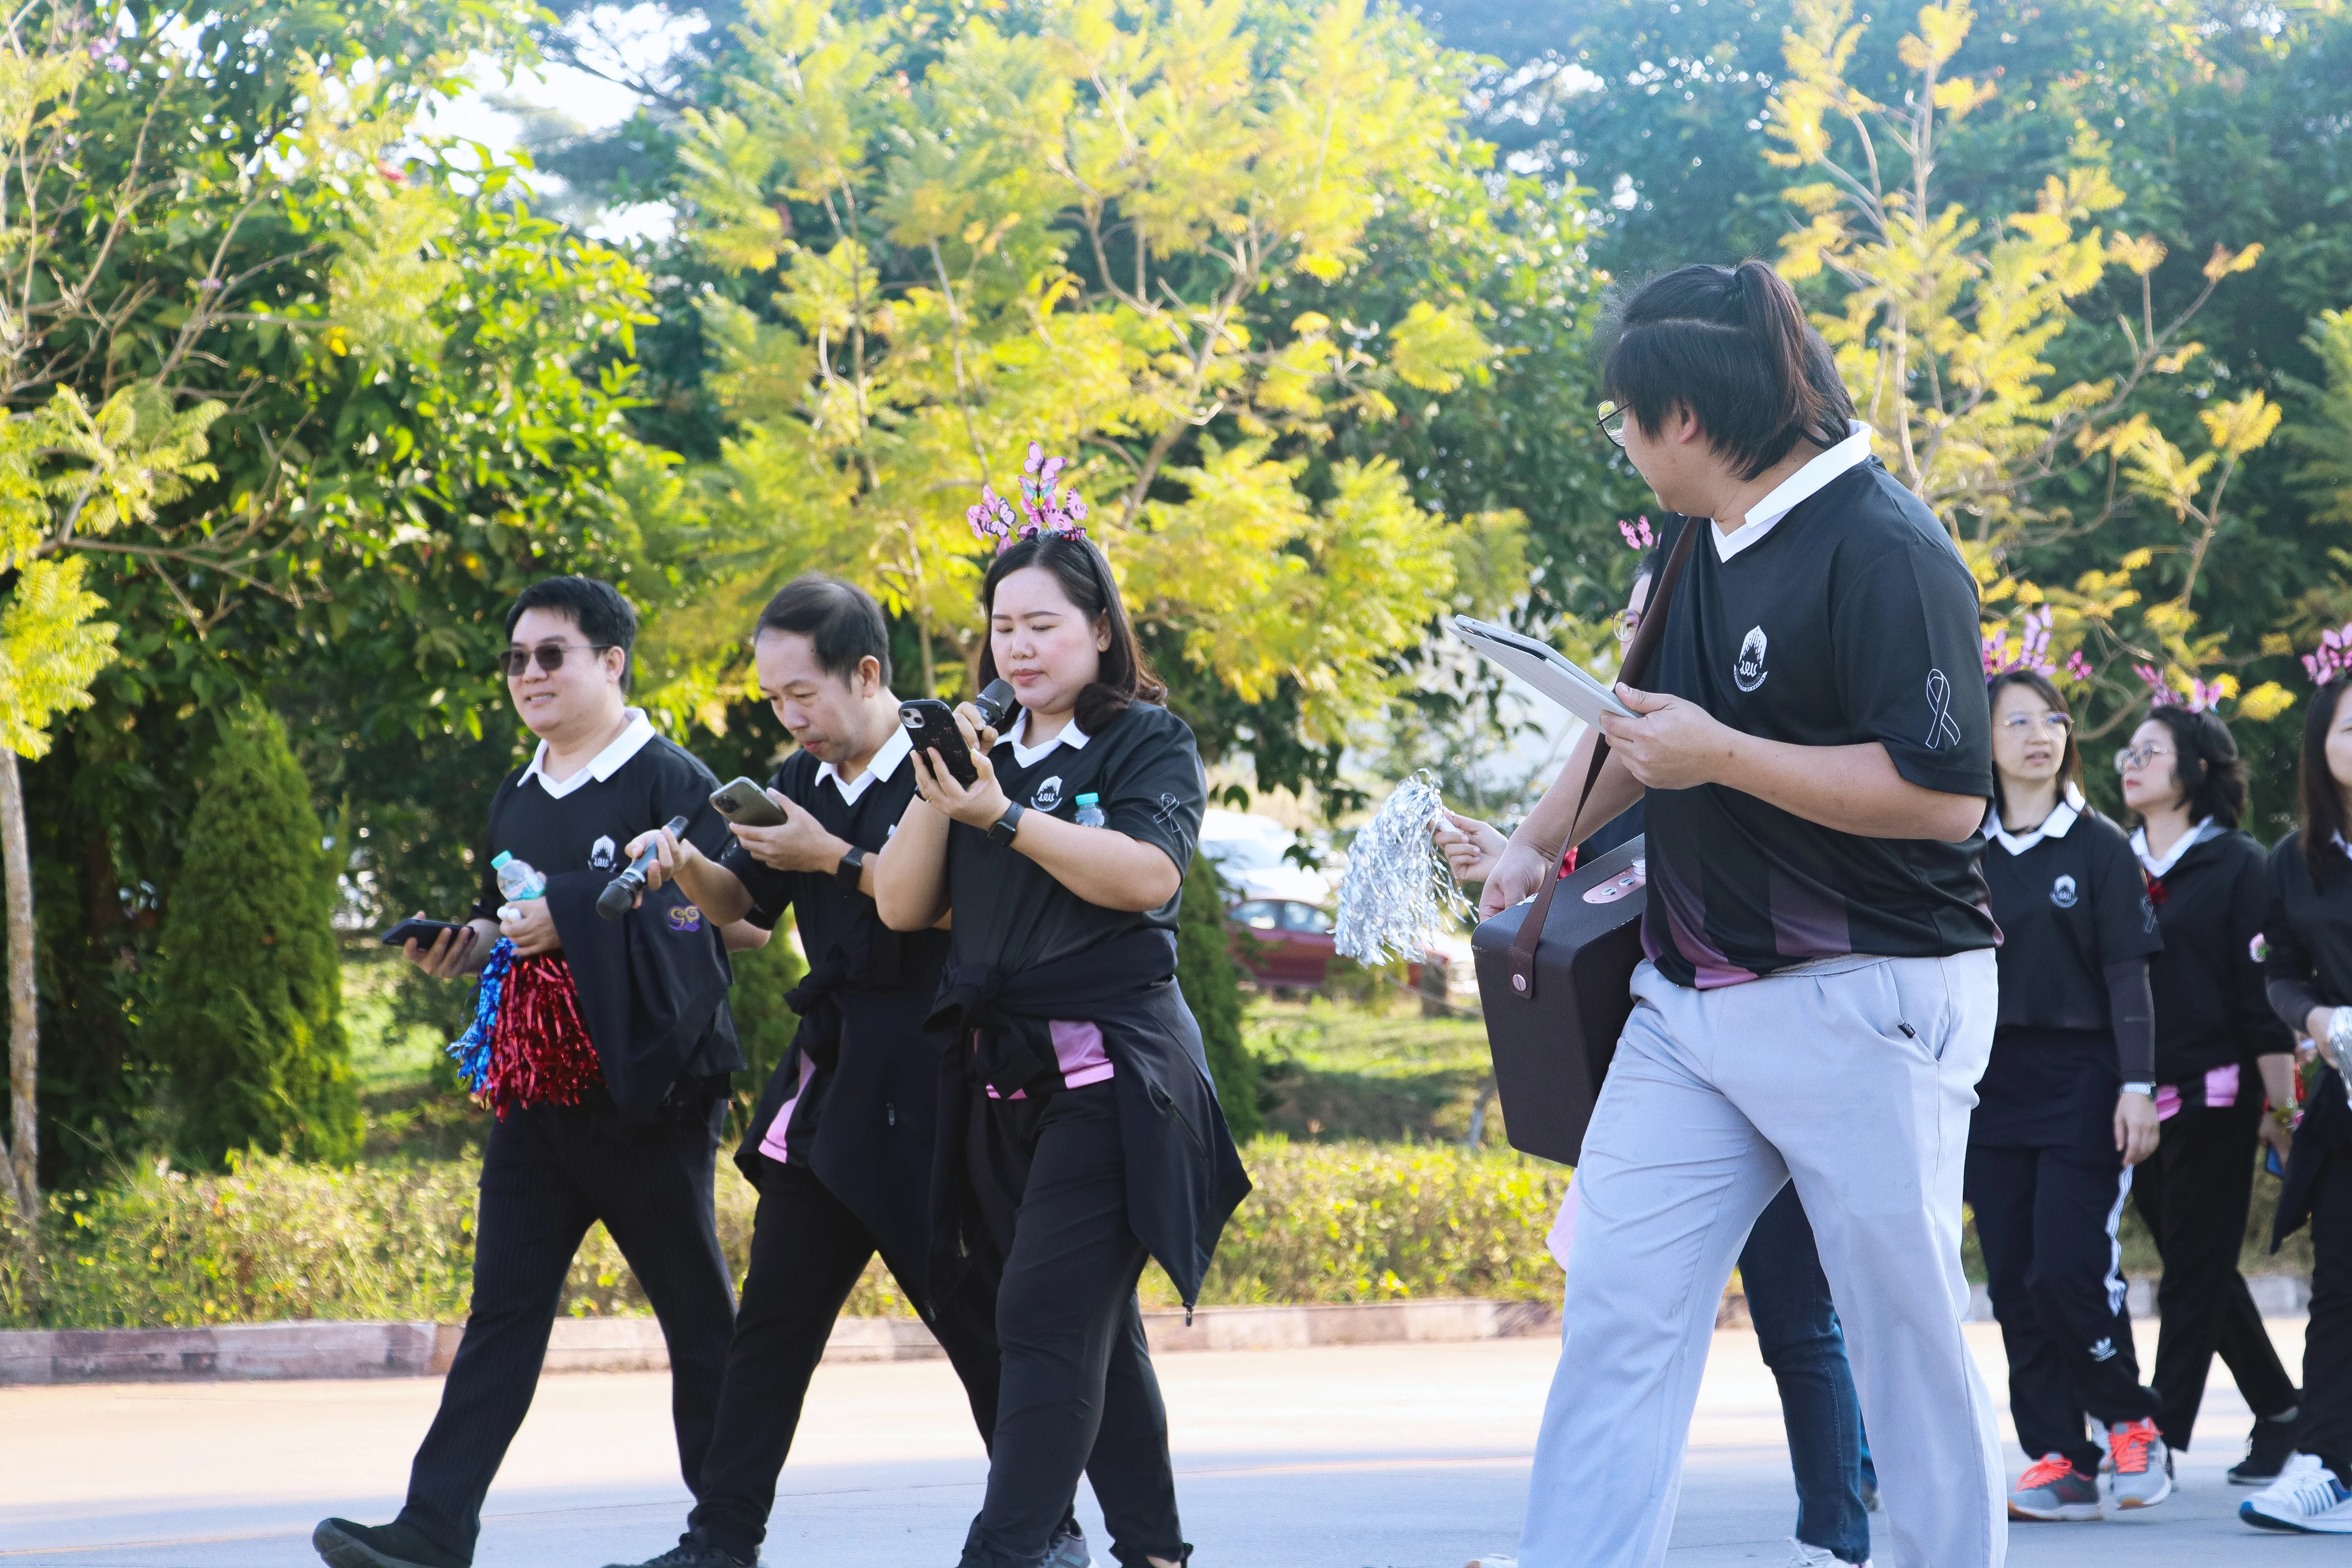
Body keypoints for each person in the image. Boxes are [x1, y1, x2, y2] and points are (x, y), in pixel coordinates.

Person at [1470, 260, 2004, 1568]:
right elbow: (1635, 724)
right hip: (1685, 1005)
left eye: (1623, 420)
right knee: (1618, 1312)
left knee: (1903, 1338)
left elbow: (1945, 800)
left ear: (1688, 421)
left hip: (1867, 997)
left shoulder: (1889, 549)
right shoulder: (1696, 540)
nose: (1622, 443)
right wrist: (1536, 844)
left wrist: (1724, 758)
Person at [599, 575, 1091, 1568]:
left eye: (803, 693)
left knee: (972, 1317)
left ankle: (1047, 1529)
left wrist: (829, 855)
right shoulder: (802, 774)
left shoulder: (952, 761)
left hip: (940, 1082)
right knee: (771, 1327)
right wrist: (685, 864)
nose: (791, 717)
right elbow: (744, 909)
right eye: (775, 698)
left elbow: (958, 909)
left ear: (867, 674)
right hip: (832, 1082)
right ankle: (719, 1541)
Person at [315, 577, 764, 1568]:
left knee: (697, 1320)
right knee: (502, 1314)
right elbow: (510, 919)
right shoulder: (517, 794)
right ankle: (434, 1527)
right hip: (540, 1096)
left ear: (612, 660)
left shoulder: (671, 778)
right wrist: (473, 941)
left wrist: (577, 913)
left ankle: (724, 1538)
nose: (529, 674)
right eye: (516, 658)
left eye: (551, 654)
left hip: (654, 1094)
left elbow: (736, 925)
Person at [1436, 562, 1876, 1568]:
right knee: (1617, 1309)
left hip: (1789, 1040)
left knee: (1802, 1320)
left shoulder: (1732, 747)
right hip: (1665, 1056)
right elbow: (1598, 897)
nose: (1644, 634)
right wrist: (1517, 850)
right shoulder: (1624, 761)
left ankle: (1835, 1536)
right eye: (1633, 618)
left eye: (1660, 616)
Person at [874, 519, 1251, 1568]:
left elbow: (1149, 877)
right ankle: (1155, 1551)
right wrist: (944, 785)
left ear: (1100, 629)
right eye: (1004, 628)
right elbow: (902, 906)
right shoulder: (980, 756)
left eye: (1044, 624)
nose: (1021, 647)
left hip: (1113, 1076)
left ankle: (1004, 1552)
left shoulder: (1147, 740)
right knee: (1092, 1332)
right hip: (1001, 1079)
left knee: (1042, 1315)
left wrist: (1003, 815)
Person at [1965, 670, 2169, 1521]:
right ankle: (2061, 1455)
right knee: (2013, 1280)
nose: (2039, 735)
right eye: (2016, 722)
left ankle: (2132, 1422)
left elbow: (2129, 978)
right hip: (1988, 1087)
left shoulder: (2100, 848)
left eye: (2051, 719)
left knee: (2065, 1270)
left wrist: (2138, 1085)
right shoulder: (1959, 849)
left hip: (2085, 1081)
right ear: (1984, 740)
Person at [2115, 702, 2301, 1482]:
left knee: (2193, 1272)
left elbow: (2264, 999)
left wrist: (2282, 1109)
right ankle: (2283, 1412)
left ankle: (2154, 1438)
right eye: (2128, 752)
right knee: (2202, 1266)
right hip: (2134, 1099)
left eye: (2150, 751)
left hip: (2221, 1098)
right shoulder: (2113, 860)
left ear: (2197, 769)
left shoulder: (2240, 864)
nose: (2131, 763)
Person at [2245, 662, 2352, 1533]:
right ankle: (2327, 1464)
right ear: (2322, 745)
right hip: (2346, 1099)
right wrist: (2319, 1018)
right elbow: (2279, 971)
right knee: (2342, 1286)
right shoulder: (2297, 861)